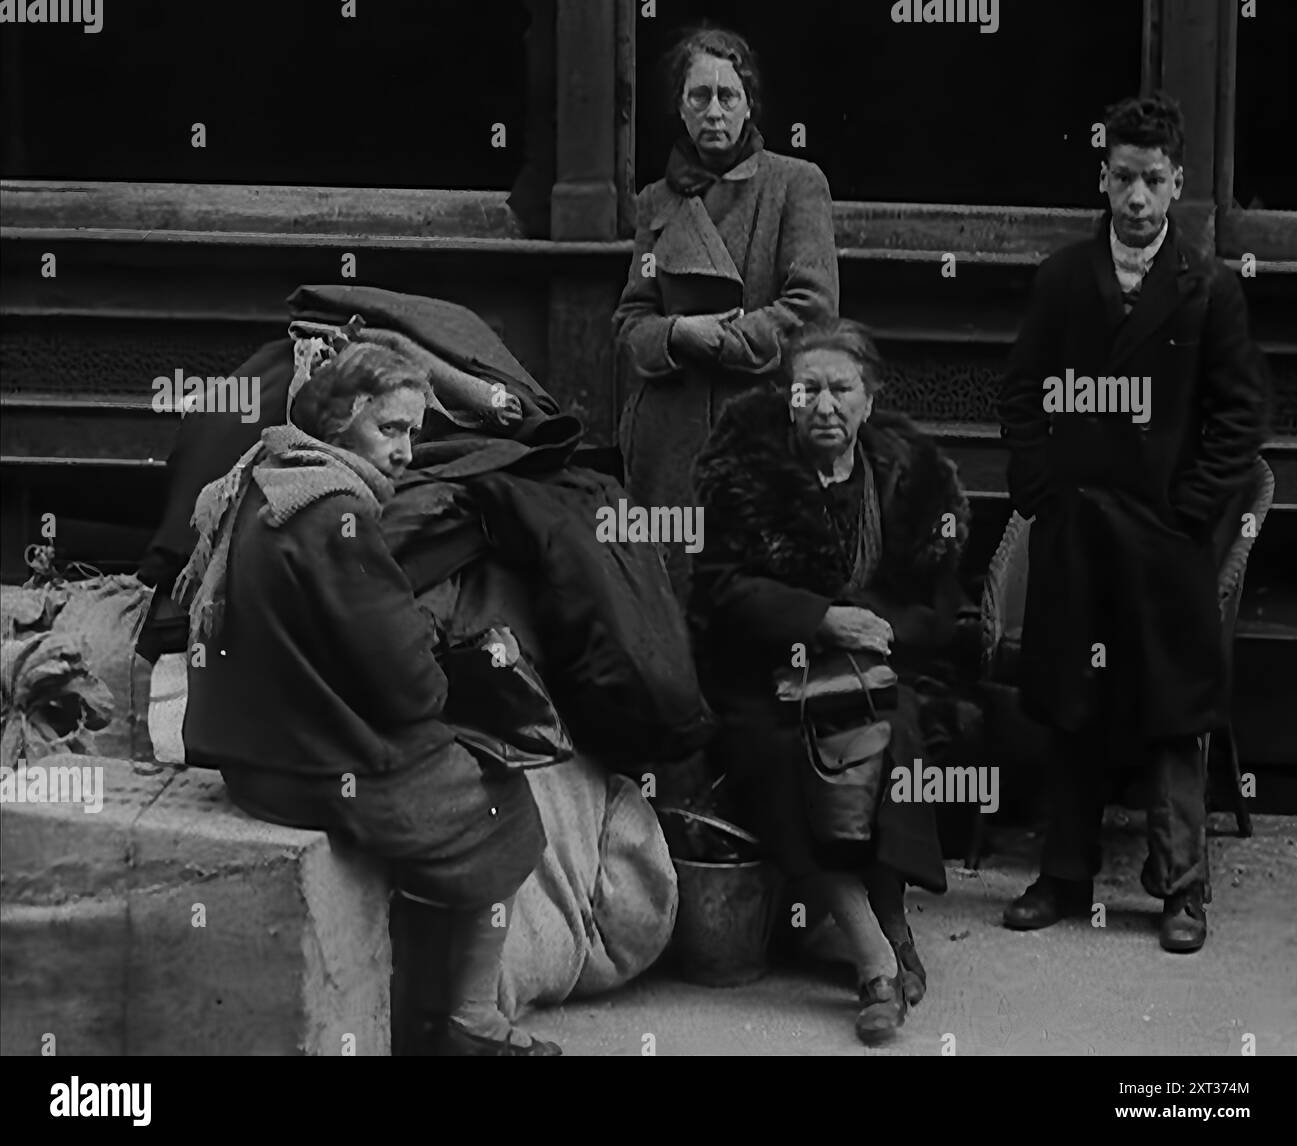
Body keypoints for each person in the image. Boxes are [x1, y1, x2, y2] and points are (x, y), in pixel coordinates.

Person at [176, 341, 560, 1055]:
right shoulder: (335, 512)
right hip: (309, 764)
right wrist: (434, 637)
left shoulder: (264, 477)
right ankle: (469, 1023)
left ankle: (418, 1007)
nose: (408, 452)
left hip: (251, 753)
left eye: (414, 431)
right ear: (340, 423)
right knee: (506, 807)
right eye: (391, 429)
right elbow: (410, 693)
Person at [998, 93, 1269, 953]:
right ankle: (1064, 875)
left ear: (1178, 183)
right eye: (1124, 179)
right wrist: (1043, 489)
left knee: (1171, 707)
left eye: (1154, 181)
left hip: (1163, 538)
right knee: (1072, 699)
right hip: (1078, 528)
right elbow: (1020, 394)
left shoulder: (1209, 291)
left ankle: (1181, 889)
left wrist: (1190, 511)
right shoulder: (1063, 280)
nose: (1139, 199)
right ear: (1103, 178)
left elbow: (1240, 417)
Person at [691, 317, 971, 1043]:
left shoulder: (913, 484)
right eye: (807, 388)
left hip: (876, 672)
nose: (823, 404)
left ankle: (892, 913)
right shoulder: (744, 478)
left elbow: (939, 610)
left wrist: (873, 633)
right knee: (777, 749)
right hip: (764, 674)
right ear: (787, 399)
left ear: (869, 400)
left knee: (895, 733)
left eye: (840, 389)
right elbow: (718, 589)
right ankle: (876, 956)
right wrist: (818, 618)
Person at [612, 24, 839, 601]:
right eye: (699, 96)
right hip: (668, 435)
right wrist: (677, 332)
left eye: (727, 96)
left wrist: (723, 341)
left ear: (748, 104)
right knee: (668, 598)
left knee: (753, 593)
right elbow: (633, 319)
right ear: (679, 108)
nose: (714, 111)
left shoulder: (794, 185)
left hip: (759, 418)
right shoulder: (657, 202)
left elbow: (812, 308)